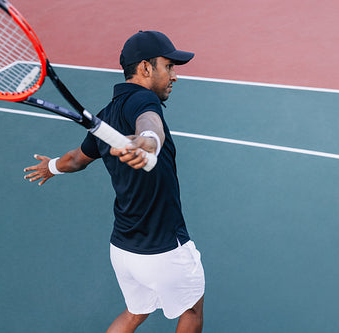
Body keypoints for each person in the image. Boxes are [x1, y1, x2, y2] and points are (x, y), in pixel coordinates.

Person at [24, 31, 205, 333]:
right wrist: (148, 141)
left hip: (123, 249)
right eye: (169, 67)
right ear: (146, 68)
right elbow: (150, 123)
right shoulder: (145, 100)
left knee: (135, 313)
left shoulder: (106, 117)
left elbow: (76, 159)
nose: (174, 76)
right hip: (163, 248)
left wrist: (52, 167)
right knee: (192, 310)